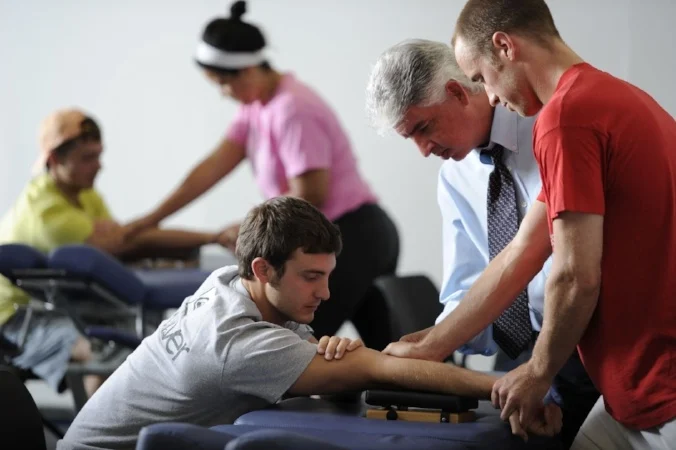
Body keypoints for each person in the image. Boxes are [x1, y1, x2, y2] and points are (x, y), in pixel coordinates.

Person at [58, 196, 562, 450]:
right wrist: (510, 388)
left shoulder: (225, 283)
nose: (325, 293)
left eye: (328, 276)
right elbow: (382, 371)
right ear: (262, 269)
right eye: (310, 277)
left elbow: (349, 369)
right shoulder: (238, 344)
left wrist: (329, 352)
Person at [448, 0, 676, 448]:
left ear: (504, 47)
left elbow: (574, 274)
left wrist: (537, 372)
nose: (491, 97)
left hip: (660, 389)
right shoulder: (621, 97)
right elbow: (524, 248)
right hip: (631, 394)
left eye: (480, 78)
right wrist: (430, 343)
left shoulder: (565, 118)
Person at [124, 0, 400, 350]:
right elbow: (210, 169)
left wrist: (252, 228)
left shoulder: (292, 108)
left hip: (353, 234)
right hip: (335, 236)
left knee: (291, 347)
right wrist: (147, 221)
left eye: (224, 83)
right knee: (385, 346)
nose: (224, 94)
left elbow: (312, 193)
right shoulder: (256, 108)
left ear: (248, 68)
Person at [365, 38, 599, 448]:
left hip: (589, 335)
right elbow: (468, 284)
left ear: (458, 92)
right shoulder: (455, 177)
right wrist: (427, 345)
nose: (423, 150)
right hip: (525, 350)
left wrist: (439, 345)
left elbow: (554, 260)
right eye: (410, 139)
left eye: (423, 127)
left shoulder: (553, 129)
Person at [0, 107, 233, 397]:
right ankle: (92, 433)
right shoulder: (45, 213)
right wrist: (214, 237)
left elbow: (119, 247)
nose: (99, 165)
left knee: (146, 335)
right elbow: (127, 243)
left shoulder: (83, 193)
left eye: (99, 154)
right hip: (15, 317)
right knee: (109, 348)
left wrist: (164, 257)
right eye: (87, 158)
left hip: (63, 304)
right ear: (55, 159)